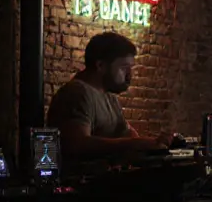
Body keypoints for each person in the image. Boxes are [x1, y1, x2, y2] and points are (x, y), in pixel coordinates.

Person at [46, 32, 176, 159]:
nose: (130, 75)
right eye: (124, 68)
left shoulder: (109, 96)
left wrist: (155, 143)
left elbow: (128, 134)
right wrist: (135, 144)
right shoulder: (77, 93)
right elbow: (77, 145)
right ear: (101, 65)